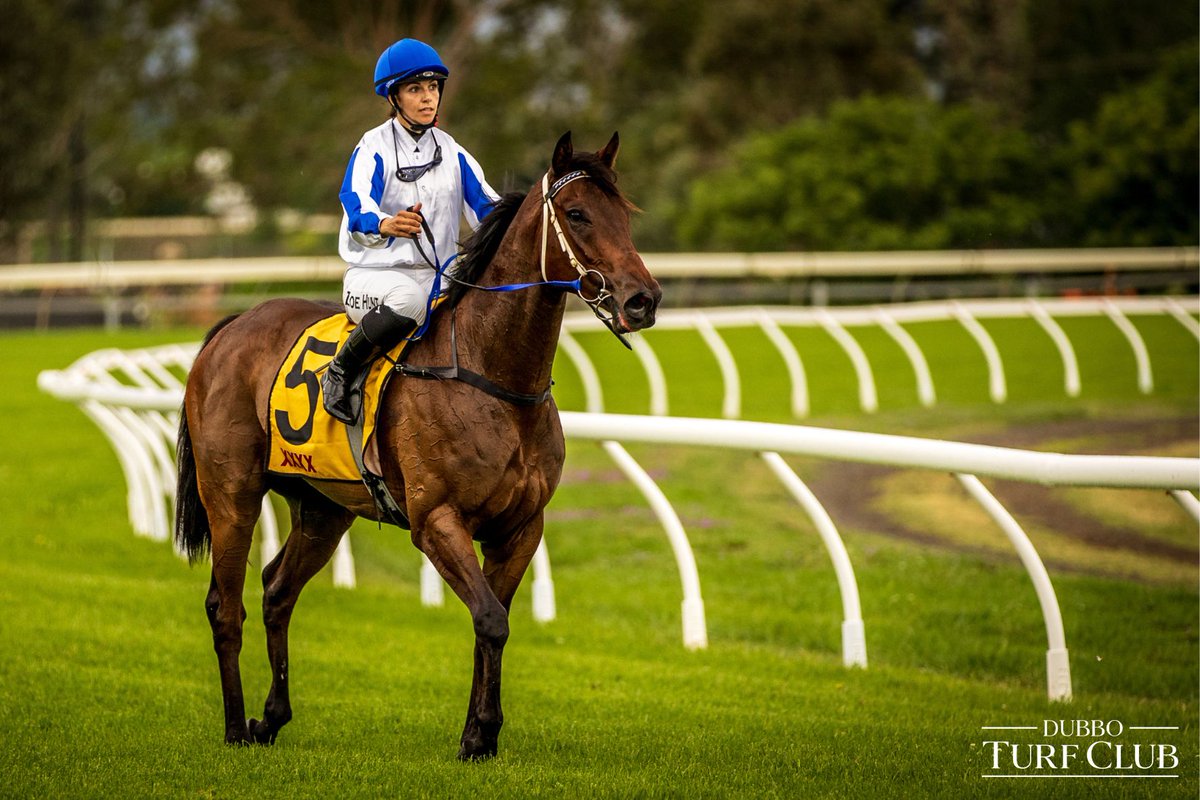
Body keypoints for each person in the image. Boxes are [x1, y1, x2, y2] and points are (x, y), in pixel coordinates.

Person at [322, 37, 500, 424]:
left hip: (439, 275)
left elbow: (490, 210)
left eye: (433, 87)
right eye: (415, 88)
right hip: (375, 278)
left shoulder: (451, 150)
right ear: (394, 96)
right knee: (410, 303)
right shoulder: (372, 146)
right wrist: (386, 224)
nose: (427, 98)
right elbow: (356, 206)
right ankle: (340, 372)